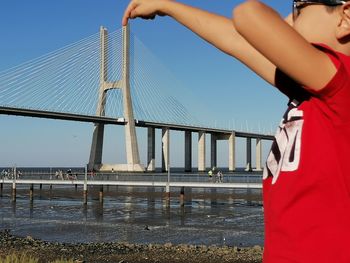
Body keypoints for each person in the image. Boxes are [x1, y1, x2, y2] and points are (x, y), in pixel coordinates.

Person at [123, 1, 350, 262]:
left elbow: (247, 15)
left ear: (345, 17)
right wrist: (168, 7)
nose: (291, 18)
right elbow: (236, 39)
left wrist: (287, 27)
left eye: (299, 6)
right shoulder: (315, 93)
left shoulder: (342, 86)